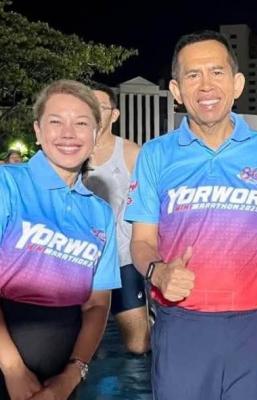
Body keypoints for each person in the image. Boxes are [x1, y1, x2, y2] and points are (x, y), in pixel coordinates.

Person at [125, 30, 257, 400]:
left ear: (237, 83)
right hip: (182, 326)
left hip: (255, 326)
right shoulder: (156, 155)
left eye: (217, 72)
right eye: (193, 75)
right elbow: (141, 241)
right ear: (176, 90)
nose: (206, 85)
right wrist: (159, 271)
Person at [0, 80, 120, 400]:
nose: (69, 133)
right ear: (37, 131)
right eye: (56, 121)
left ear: (95, 134)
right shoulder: (7, 185)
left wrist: (71, 376)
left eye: (81, 123)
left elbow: (97, 304)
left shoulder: (100, 214)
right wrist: (12, 369)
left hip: (63, 376)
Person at [85, 83, 149, 355]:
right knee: (78, 345)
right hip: (80, 261)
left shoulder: (132, 153)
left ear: (114, 114)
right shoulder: (70, 151)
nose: (94, 113)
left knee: (138, 345)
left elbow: (151, 205)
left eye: (100, 107)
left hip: (122, 257)